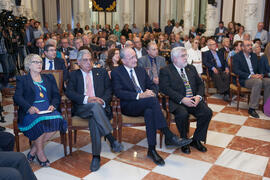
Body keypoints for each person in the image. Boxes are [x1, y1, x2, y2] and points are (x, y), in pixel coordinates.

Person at [111, 47, 192, 166]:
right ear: (123, 60)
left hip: (146, 104)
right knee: (152, 101)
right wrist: (141, 95)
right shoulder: (116, 72)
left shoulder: (140, 70)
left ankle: (152, 150)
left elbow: (152, 85)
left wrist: (151, 92)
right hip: (129, 105)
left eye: (135, 56)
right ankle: (168, 135)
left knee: (150, 111)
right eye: (131, 57)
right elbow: (119, 92)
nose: (135, 59)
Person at [65, 49, 123, 172]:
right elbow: (69, 92)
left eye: (90, 59)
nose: (88, 62)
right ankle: (111, 139)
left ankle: (96, 157)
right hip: (83, 108)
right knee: (94, 107)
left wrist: (102, 100)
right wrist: (87, 99)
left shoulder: (101, 72)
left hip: (100, 108)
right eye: (85, 60)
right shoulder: (74, 75)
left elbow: (109, 90)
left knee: (94, 120)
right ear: (79, 62)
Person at [13, 54, 67, 167]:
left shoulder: (49, 77)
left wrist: (53, 105)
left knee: (59, 120)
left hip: (48, 109)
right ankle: (40, 153)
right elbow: (17, 97)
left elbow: (57, 95)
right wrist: (29, 108)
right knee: (41, 123)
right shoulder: (22, 79)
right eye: (36, 62)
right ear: (29, 65)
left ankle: (33, 150)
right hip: (32, 111)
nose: (39, 64)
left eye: (40, 62)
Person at [159, 47, 212, 154]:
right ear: (174, 59)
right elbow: (165, 88)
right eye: (183, 56)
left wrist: (198, 96)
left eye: (186, 55)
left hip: (193, 99)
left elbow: (200, 84)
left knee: (207, 112)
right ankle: (184, 140)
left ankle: (196, 140)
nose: (186, 58)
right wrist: (182, 99)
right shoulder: (166, 71)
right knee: (183, 114)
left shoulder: (191, 68)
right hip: (176, 101)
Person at [233, 40, 270, 118]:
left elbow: (259, 68)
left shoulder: (253, 56)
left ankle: (266, 107)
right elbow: (236, 71)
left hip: (256, 77)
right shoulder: (237, 56)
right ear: (242, 47)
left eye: (251, 45)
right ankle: (252, 108)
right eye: (248, 45)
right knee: (258, 82)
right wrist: (250, 75)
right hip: (245, 79)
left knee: (268, 81)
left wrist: (261, 74)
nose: (250, 47)